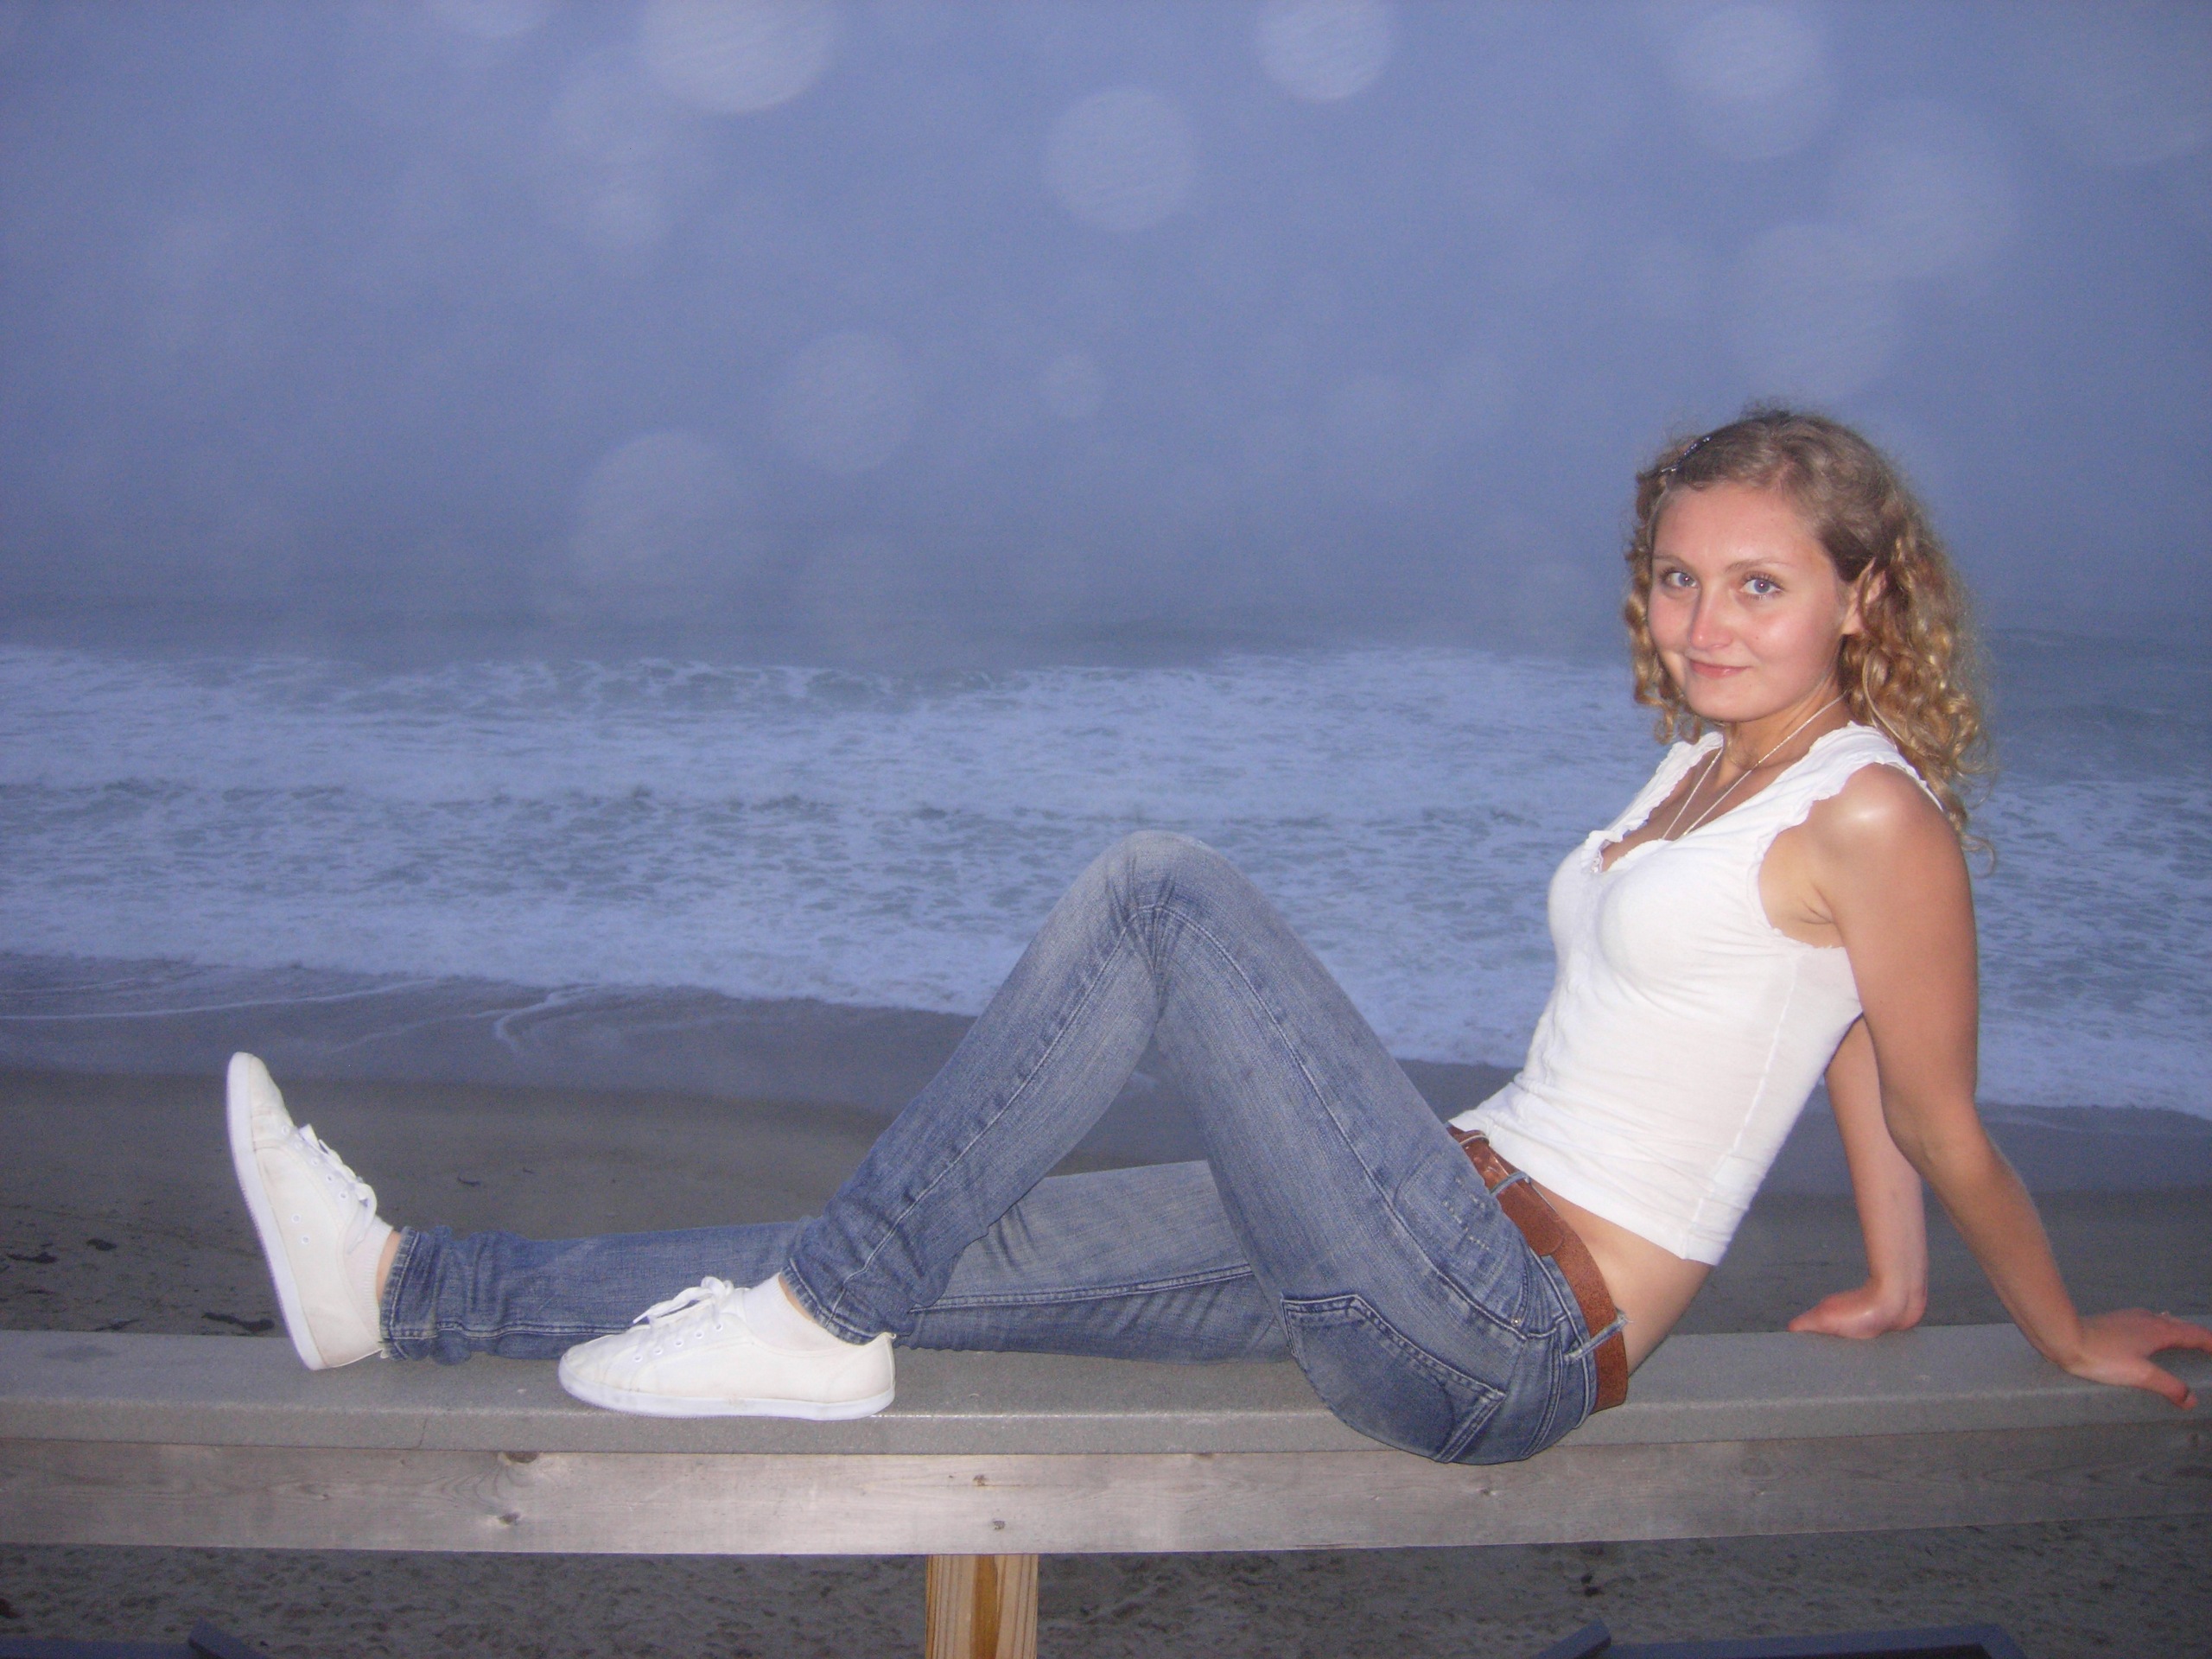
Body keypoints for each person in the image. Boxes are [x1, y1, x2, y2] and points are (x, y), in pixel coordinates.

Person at [224, 408, 2211, 1465]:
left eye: (1756, 584)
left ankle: (813, 1329)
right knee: (940, 1254)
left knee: (1158, 894)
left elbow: (1933, 1105)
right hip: (1416, 1225)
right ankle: (403, 1292)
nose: (1703, 621)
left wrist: (2052, 1332)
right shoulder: (1707, 771)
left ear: (1861, 595)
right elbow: (1838, 1029)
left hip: (1504, 1333)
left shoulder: (1864, 806)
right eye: (1679, 578)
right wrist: (1883, 1284)